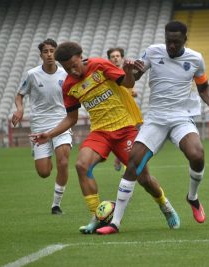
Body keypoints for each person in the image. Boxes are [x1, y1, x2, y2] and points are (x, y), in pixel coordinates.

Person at [30, 41, 180, 234]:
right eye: (67, 69)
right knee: (81, 165)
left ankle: (165, 205)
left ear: (81, 56)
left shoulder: (99, 65)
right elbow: (71, 118)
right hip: (100, 132)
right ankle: (97, 217)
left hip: (125, 128)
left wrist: (127, 70)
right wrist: (49, 134)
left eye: (74, 66)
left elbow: (128, 83)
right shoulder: (68, 85)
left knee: (144, 179)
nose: (73, 72)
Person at [97, 21, 209, 235]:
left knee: (197, 155)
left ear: (185, 40)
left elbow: (203, 86)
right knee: (133, 163)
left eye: (176, 42)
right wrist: (127, 70)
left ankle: (192, 197)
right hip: (155, 118)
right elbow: (130, 82)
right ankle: (115, 223)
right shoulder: (153, 52)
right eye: (168, 41)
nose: (171, 46)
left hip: (181, 117)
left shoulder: (195, 59)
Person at [11, 38, 71, 215]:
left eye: (52, 51)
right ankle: (47, 157)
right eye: (46, 51)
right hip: (40, 124)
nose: (50, 54)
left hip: (61, 122)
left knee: (64, 161)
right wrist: (20, 109)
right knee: (44, 172)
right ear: (41, 55)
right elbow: (19, 95)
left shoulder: (64, 74)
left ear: (56, 53)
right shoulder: (32, 74)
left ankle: (56, 204)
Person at [107, 47, 138, 171]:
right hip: (115, 114)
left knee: (131, 142)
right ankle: (122, 161)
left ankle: (122, 162)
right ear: (109, 59)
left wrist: (132, 92)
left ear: (122, 58)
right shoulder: (107, 74)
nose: (115, 58)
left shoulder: (126, 73)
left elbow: (128, 87)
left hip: (129, 112)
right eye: (112, 56)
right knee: (124, 142)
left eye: (117, 56)